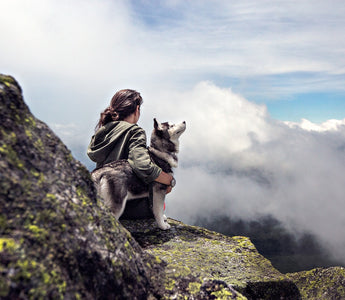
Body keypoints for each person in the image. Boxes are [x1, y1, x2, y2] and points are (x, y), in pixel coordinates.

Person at [87, 89, 174, 218]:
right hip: (128, 206)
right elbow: (142, 165)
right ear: (137, 109)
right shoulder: (135, 131)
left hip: (103, 201)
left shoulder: (103, 130)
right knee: (159, 202)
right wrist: (168, 179)